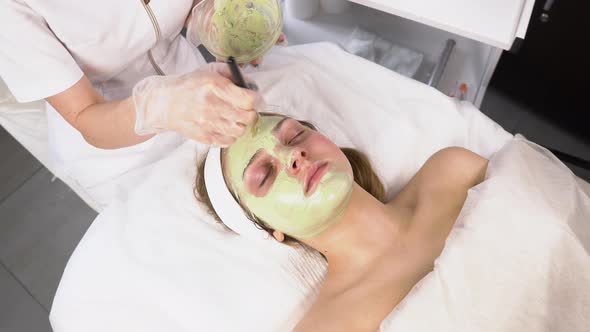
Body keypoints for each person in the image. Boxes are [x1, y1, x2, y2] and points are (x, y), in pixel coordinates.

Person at [194, 113, 488, 331]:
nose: (294, 155)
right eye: (265, 175)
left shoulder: (452, 174)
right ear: (271, 230)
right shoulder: (326, 326)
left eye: (294, 136)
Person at [0, 0, 284, 208]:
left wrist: (215, 20)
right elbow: (86, 116)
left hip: (195, 85)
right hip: (118, 149)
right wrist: (162, 107)